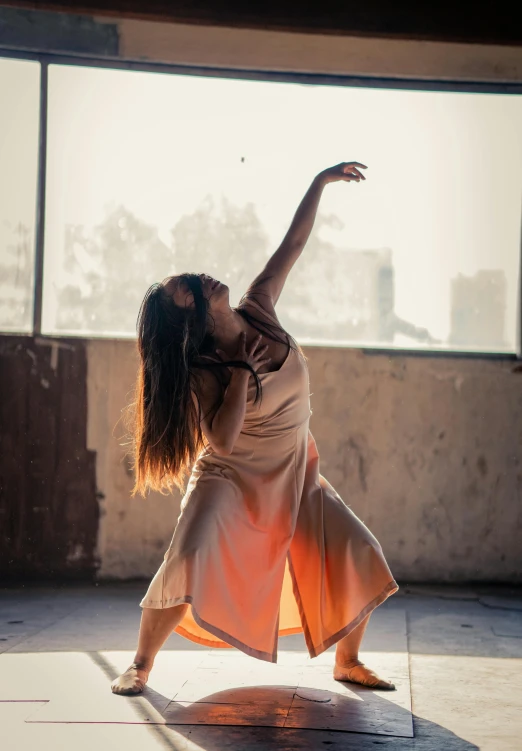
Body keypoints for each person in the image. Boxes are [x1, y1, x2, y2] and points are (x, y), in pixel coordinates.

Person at [112, 162, 398, 697]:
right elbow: (220, 441)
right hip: (230, 477)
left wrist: (319, 182)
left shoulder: (259, 306)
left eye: (194, 276)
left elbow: (294, 243)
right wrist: (241, 375)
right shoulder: (204, 370)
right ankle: (140, 665)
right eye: (193, 287)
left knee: (360, 552)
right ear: (193, 318)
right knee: (189, 558)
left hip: (293, 475)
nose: (205, 278)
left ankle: (348, 661)